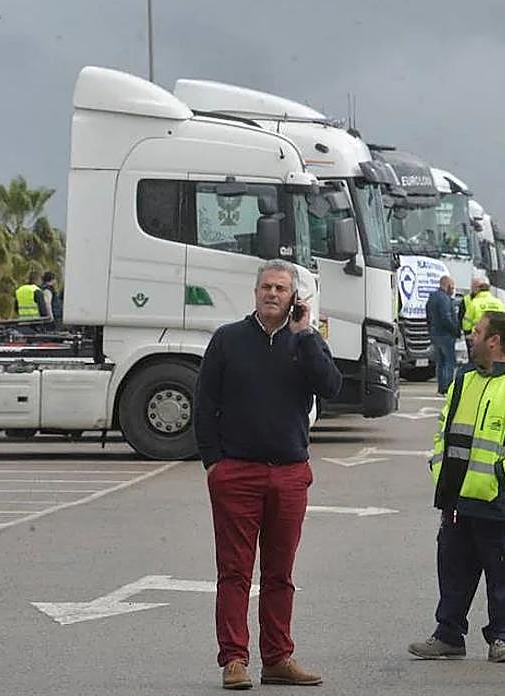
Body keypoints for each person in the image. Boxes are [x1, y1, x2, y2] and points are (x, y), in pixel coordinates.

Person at [193, 259, 343, 690]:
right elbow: (204, 405)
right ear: (255, 293)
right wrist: (214, 464)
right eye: (266, 288)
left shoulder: (306, 343)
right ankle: (234, 660)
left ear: (294, 296)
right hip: (237, 473)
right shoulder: (228, 340)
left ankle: (277, 658)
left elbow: (331, 387)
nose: (272, 294)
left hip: (290, 473)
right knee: (235, 572)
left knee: (280, 574)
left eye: (280, 288)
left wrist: (306, 334)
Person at [409, 311, 505, 663]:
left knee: (501, 573)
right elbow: (444, 429)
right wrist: (438, 467)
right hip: (456, 497)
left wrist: (501, 473)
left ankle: (502, 638)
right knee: (452, 569)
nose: (471, 336)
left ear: (495, 341)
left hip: (498, 501)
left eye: (478, 331)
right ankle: (448, 635)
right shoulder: (463, 378)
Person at [426, 276, 459, 395]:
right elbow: (446, 318)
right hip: (446, 335)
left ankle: (441, 388)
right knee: (449, 362)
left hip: (435, 334)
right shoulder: (444, 299)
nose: (453, 289)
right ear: (447, 285)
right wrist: (455, 330)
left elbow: (428, 317)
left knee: (440, 363)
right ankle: (447, 388)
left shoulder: (432, 297)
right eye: (452, 286)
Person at [462, 278, 504, 357]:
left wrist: (467, 333)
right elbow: (504, 321)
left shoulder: (474, 302)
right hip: (495, 336)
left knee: (478, 359)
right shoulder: (499, 303)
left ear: (479, 291)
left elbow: (466, 322)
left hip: (479, 336)